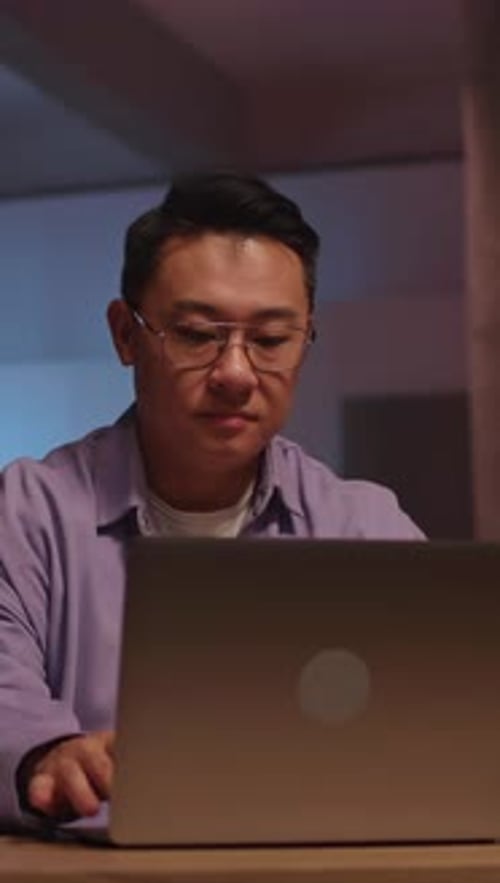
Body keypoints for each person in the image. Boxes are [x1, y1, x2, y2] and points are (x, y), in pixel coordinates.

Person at [0, 171, 423, 829]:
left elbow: (442, 716)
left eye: (271, 340)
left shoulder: (365, 525)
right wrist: (46, 757)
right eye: (198, 335)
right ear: (125, 334)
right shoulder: (30, 512)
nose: (234, 373)